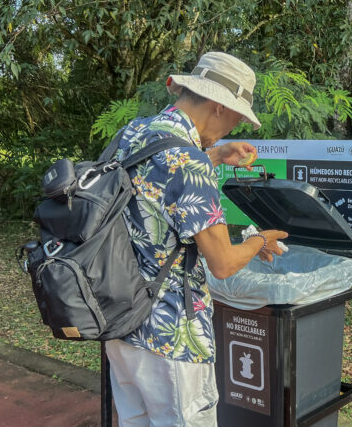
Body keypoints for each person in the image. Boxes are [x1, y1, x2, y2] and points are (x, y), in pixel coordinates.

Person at [105, 51, 290, 426]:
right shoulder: (189, 163)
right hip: (172, 337)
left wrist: (216, 155)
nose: (236, 127)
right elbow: (222, 263)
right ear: (221, 107)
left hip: (121, 323)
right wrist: (259, 241)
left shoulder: (133, 133)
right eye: (239, 116)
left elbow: (158, 177)